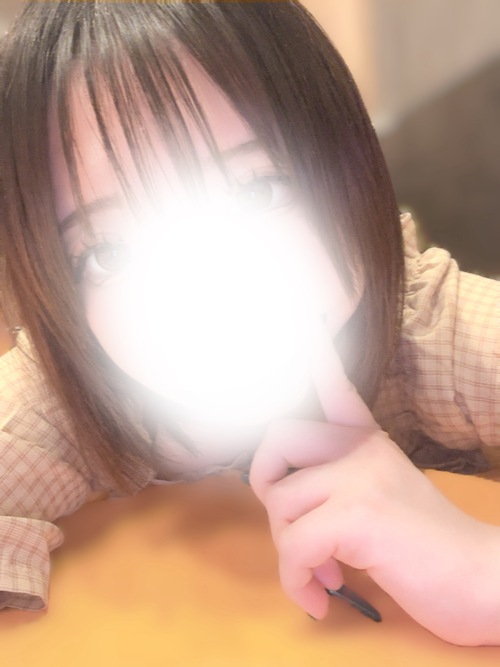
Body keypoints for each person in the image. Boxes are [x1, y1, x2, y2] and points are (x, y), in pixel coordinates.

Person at [0, 0, 498, 645]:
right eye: (109, 252)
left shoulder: (431, 332)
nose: (200, 287)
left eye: (258, 191)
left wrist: (481, 576)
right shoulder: (64, 395)